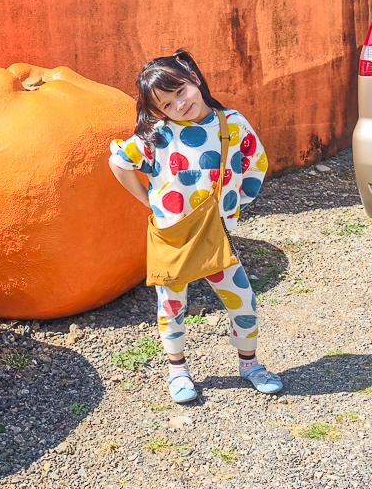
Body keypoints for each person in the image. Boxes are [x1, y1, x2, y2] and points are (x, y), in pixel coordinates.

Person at [108, 49, 282, 403]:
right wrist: (148, 202)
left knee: (244, 301)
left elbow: (256, 163)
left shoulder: (231, 124)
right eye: (167, 104)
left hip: (215, 233)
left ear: (194, 78)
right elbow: (119, 162)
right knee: (171, 307)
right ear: (158, 111)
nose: (179, 105)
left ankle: (249, 364)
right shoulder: (157, 134)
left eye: (180, 91)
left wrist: (235, 204)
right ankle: (177, 369)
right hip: (172, 234)